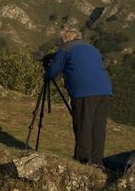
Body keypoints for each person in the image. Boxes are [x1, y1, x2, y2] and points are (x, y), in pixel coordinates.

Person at [45, 28, 112, 167]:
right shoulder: (92, 48)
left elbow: (53, 71)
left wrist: (46, 74)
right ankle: (96, 162)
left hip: (84, 91)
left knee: (83, 125)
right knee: (98, 127)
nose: (61, 43)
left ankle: (82, 160)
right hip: (104, 90)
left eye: (61, 41)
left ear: (66, 38)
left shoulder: (65, 47)